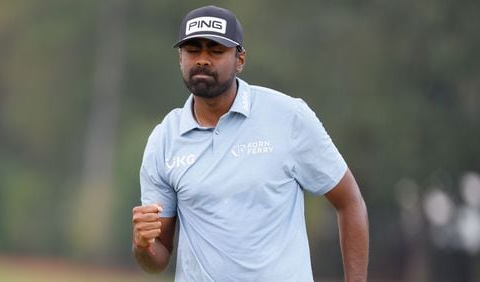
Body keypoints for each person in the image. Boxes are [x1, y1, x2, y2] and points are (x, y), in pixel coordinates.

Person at [132, 5, 369, 282]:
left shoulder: (289, 116)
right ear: (180, 58)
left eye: (216, 51)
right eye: (193, 50)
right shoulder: (164, 139)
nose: (203, 60)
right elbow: (158, 259)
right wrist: (142, 244)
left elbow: (350, 202)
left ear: (240, 59)